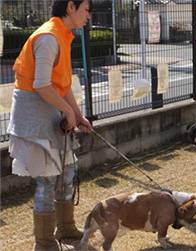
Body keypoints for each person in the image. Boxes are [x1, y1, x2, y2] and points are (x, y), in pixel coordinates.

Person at [7, 1, 92, 250]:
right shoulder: (48, 38)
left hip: (51, 115)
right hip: (34, 118)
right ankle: (43, 242)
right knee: (47, 178)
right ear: (70, 7)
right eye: (85, 9)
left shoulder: (62, 36)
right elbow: (42, 85)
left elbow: (61, 86)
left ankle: (65, 228)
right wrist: (68, 111)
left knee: (67, 171)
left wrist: (78, 113)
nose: (88, 15)